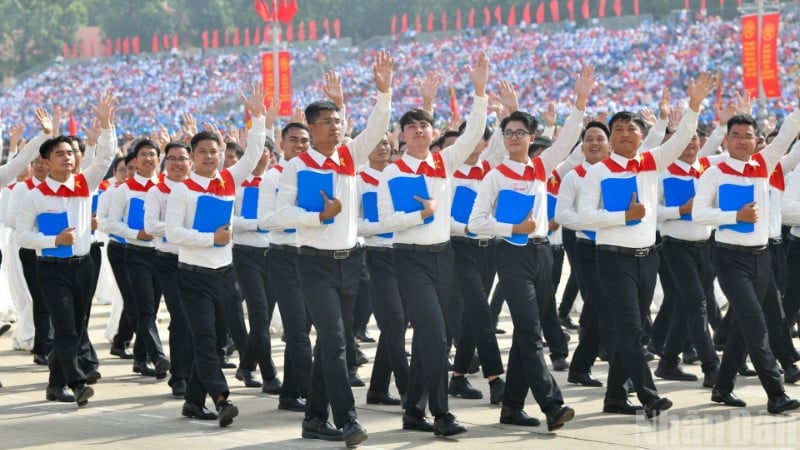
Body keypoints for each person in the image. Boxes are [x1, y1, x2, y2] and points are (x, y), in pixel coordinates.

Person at [578, 72, 716, 419]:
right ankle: (648, 394)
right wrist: (623, 216)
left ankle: (615, 396)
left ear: (643, 136)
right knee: (630, 329)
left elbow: (682, 137)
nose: (625, 134)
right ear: (611, 137)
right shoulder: (598, 172)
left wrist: (694, 106)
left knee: (632, 329)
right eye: (618, 129)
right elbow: (585, 217)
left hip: (648, 258)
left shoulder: (652, 163)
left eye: (631, 129)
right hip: (613, 260)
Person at [274, 53, 393, 448]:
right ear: (311, 128)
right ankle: (347, 419)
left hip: (351, 262)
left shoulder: (349, 156)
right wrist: (318, 215)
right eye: (327, 121)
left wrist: (383, 92)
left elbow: (377, 128)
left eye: (339, 120)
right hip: (315, 265)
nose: (336, 126)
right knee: (337, 342)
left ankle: (313, 419)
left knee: (330, 344)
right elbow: (279, 215)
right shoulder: (297, 166)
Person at [469, 65, 593, 431]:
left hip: (541, 253)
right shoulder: (495, 175)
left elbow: (568, 139)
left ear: (531, 137)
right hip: (510, 253)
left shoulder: (541, 168)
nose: (513, 137)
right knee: (529, 330)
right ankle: (552, 404)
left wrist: (580, 100)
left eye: (520, 132)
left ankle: (511, 407)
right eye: (508, 132)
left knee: (530, 329)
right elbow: (475, 223)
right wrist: (513, 228)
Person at [377, 51, 488, 437]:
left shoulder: (444, 162)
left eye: (424, 125)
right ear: (402, 135)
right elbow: (386, 222)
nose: (418, 131)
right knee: (435, 336)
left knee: (431, 337)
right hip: (409, 259)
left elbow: (473, 134)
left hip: (444, 257)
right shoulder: (392, 172)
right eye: (411, 127)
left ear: (432, 131)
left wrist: (479, 93)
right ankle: (441, 414)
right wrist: (420, 214)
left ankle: (414, 410)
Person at [165, 84, 272, 427]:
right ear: (192, 156)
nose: (209, 157)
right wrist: (211, 237)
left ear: (222, 152)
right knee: (205, 340)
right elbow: (172, 233)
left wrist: (258, 117)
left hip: (225, 275)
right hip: (193, 276)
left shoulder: (228, 180)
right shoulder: (182, 190)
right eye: (202, 152)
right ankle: (222, 397)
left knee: (214, 341)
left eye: (214, 151)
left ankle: (193, 402)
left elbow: (253, 154)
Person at [694, 83, 800, 413]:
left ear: (756, 140)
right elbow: (699, 213)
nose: (742, 141)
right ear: (727, 140)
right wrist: (733, 216)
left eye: (748, 136)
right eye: (736, 135)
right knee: (756, 324)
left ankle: (722, 387)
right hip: (729, 259)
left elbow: (787, 135)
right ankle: (776, 394)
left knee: (743, 326)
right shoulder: (714, 173)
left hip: (762, 257)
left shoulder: (763, 166)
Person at [16, 94, 116, 406]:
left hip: (83, 266)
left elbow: (105, 158)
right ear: (46, 163)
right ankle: (76, 382)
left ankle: (55, 385)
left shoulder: (85, 184)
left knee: (75, 327)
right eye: (60, 154)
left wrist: (107, 126)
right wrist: (53, 241)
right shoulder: (34, 196)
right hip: (51, 269)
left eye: (71, 153)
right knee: (66, 328)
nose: (68, 158)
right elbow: (22, 236)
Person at [257, 122, 312, 412]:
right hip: (283, 257)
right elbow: (264, 220)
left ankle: (290, 393)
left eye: (304, 140)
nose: (300, 145)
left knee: (303, 327)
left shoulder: (314, 174)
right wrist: (302, 217)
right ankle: (313, 393)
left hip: (312, 256)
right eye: (294, 140)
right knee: (296, 328)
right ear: (282, 144)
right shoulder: (272, 177)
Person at [106, 139, 171, 380]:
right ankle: (158, 355)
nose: (148, 159)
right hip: (135, 254)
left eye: (152, 154)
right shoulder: (124, 190)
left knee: (152, 309)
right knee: (144, 306)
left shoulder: (166, 188)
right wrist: (136, 234)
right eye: (143, 155)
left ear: (158, 159)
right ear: (136, 160)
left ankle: (141, 358)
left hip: (161, 254)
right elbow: (110, 223)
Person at [555, 121, 613, 391]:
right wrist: (594, 221)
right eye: (589, 138)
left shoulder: (618, 172)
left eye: (600, 138)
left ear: (609, 144)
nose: (594, 143)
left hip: (615, 247)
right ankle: (614, 366)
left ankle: (580, 367)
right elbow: (562, 214)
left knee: (596, 309)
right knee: (601, 305)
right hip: (587, 248)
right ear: (582, 146)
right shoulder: (573, 176)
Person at [357, 133, 408, 407]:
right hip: (376, 254)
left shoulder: (398, 175)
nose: (382, 147)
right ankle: (407, 388)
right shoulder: (358, 180)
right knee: (394, 320)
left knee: (396, 323)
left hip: (404, 253)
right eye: (376, 142)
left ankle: (377, 388)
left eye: (386, 143)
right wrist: (386, 225)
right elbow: (354, 224)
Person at [144, 141, 193, 398]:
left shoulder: (197, 188)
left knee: (197, 319)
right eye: (171, 158)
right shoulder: (157, 191)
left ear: (190, 161)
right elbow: (150, 226)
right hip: (169, 261)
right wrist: (180, 227)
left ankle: (195, 372)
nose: (177, 163)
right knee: (181, 316)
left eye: (182, 158)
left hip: (197, 260)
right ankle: (180, 375)